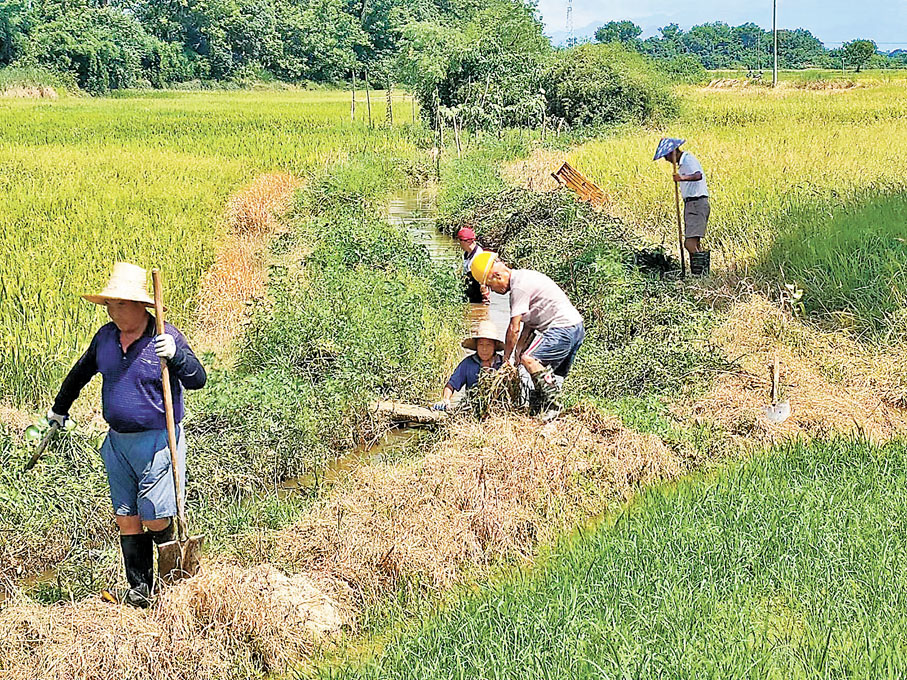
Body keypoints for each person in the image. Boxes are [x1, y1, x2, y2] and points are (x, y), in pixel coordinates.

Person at [47, 262, 207, 608]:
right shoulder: (106, 338)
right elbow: (81, 372)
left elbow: (197, 379)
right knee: (126, 516)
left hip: (157, 440)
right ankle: (140, 590)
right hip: (118, 442)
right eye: (109, 304)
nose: (113, 311)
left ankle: (173, 580)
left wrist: (176, 356)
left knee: (154, 515)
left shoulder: (165, 336)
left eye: (119, 304)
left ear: (139, 305)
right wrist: (60, 408)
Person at [470, 252, 584, 421]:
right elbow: (528, 326)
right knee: (553, 376)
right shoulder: (524, 278)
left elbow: (514, 328)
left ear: (498, 276)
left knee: (530, 359)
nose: (493, 291)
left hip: (562, 327)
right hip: (576, 327)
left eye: (490, 285)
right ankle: (542, 412)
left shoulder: (518, 287)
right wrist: (517, 353)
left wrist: (507, 359)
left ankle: (554, 406)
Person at [654, 138, 711, 273]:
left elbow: (698, 175)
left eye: (666, 156)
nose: (666, 160)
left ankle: (701, 274)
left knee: (689, 243)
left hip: (696, 203)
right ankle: (698, 274)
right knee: (695, 243)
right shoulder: (683, 163)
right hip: (692, 204)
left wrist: (681, 178)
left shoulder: (688, 160)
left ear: (672, 152)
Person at [432, 320, 504, 411]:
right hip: (473, 408)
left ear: (495, 346)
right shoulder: (468, 363)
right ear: (476, 346)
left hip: (498, 410)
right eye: (481, 344)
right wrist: (446, 399)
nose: (484, 349)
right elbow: (451, 385)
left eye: (488, 345)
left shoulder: (503, 365)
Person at [456, 227, 489, 304]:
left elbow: (483, 282)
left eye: (460, 241)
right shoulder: (467, 253)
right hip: (470, 295)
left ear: (467, 241)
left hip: (477, 296)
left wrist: (485, 303)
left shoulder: (478, 256)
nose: (459, 244)